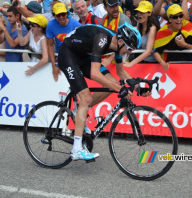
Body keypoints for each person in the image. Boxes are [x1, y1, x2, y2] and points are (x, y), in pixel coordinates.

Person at [58, 23, 150, 160]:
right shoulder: (102, 39)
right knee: (87, 98)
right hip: (68, 55)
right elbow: (95, 74)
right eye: (129, 49)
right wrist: (120, 89)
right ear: (120, 41)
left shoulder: (118, 46)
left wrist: (138, 87)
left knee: (112, 84)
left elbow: (120, 71)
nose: (129, 52)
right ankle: (76, 149)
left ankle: (81, 112)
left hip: (83, 56)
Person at [153, 4, 192, 70]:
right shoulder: (163, 32)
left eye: (181, 16)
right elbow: (156, 51)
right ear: (170, 19)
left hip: (191, 65)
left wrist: (185, 45)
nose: (179, 19)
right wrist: (163, 63)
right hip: (172, 67)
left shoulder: (189, 27)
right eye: (175, 17)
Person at [46, 2, 81, 82]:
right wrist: (54, 65)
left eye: (63, 14)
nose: (61, 17)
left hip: (74, 56)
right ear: (54, 15)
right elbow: (50, 46)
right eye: (58, 15)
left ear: (67, 13)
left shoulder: (76, 24)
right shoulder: (50, 25)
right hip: (60, 56)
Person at [124, 1, 160, 67]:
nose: (139, 14)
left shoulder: (152, 28)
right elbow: (134, 43)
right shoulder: (139, 24)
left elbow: (148, 51)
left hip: (152, 64)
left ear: (149, 14)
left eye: (142, 12)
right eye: (138, 12)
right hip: (142, 62)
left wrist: (131, 63)